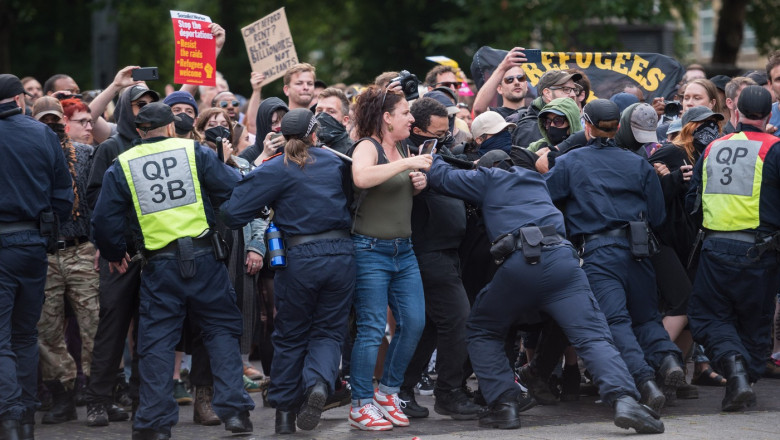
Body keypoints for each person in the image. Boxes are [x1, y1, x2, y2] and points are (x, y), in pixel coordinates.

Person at [425, 150, 664, 434]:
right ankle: (625, 400)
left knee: (482, 329)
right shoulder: (537, 180)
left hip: (521, 262)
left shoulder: (490, 177)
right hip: (564, 261)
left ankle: (504, 405)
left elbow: (440, 177)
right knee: (592, 335)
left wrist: (431, 155)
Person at [91, 102, 255, 439]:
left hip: (159, 265)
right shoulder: (195, 152)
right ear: (170, 127)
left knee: (157, 342)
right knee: (221, 332)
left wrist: (115, 252)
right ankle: (235, 413)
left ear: (139, 131)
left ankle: (154, 423)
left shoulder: (123, 164)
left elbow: (104, 220)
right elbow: (233, 188)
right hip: (205, 258)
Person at [221, 108, 355, 434]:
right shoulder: (337, 162)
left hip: (299, 257)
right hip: (341, 254)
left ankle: (284, 414)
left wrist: (265, 203)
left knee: (291, 335)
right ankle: (318, 384)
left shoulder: (275, 166)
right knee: (328, 332)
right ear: (315, 134)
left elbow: (233, 213)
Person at [544, 99, 684, 410]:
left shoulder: (570, 162)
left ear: (586, 126)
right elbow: (657, 216)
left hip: (599, 252)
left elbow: (545, 198)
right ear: (618, 127)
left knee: (616, 321)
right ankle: (669, 360)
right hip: (638, 249)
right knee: (646, 317)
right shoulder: (639, 164)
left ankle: (645, 381)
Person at [685, 85, 780, 412]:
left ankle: (736, 374)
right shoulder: (775, 149)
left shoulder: (713, 147)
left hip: (715, 250)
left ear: (735, 112)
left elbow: (692, 202)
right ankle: (743, 379)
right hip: (761, 253)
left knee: (708, 316)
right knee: (756, 321)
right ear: (768, 115)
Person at [348, 85, 431, 431]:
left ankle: (388, 393)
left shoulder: (402, 147)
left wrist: (416, 182)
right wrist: (409, 163)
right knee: (370, 330)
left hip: (404, 250)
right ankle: (360, 404)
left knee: (414, 322)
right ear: (386, 117)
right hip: (370, 250)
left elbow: (395, 188)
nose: (412, 118)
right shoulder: (368, 146)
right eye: (406, 112)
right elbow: (362, 177)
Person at [0, 73, 74, 440]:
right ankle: (26, 417)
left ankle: (11, 417)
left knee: (2, 338)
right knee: (25, 335)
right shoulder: (43, 134)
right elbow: (64, 193)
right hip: (33, 244)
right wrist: (49, 227)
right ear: (19, 100)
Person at [84, 84, 160, 427]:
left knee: (150, 331)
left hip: (156, 252)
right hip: (121, 254)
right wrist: (110, 246)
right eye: (138, 104)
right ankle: (98, 401)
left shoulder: (161, 147)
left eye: (150, 104)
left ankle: (142, 400)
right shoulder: (111, 147)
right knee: (111, 329)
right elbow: (96, 203)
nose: (144, 109)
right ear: (126, 108)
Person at [30, 97, 104, 425]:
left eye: (55, 120)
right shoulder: (27, 156)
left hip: (82, 247)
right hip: (44, 253)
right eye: (44, 121)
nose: (52, 127)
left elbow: (99, 202)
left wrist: (102, 244)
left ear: (63, 120)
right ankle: (62, 395)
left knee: (95, 323)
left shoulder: (86, 154)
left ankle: (98, 394)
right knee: (46, 329)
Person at [512, 69, 581, 148]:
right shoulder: (530, 130)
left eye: (574, 90)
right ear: (547, 93)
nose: (573, 94)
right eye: (566, 89)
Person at [472, 48, 529, 118]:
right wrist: (502, 67)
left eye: (520, 78)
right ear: (499, 89)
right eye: (510, 79)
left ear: (526, 85)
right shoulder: (494, 115)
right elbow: (478, 109)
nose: (517, 82)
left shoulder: (536, 114)